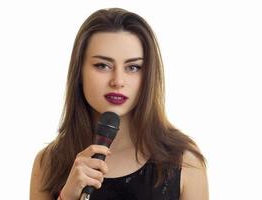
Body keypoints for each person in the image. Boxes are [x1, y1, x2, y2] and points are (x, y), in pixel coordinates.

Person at [30, 7, 209, 200]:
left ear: (148, 75)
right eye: (103, 66)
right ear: (79, 72)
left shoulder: (184, 161)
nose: (118, 81)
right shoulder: (48, 163)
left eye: (133, 67)